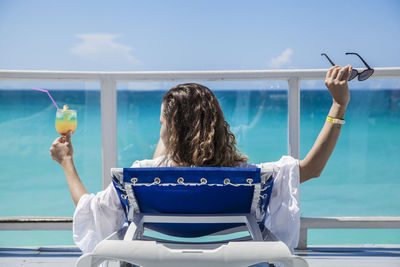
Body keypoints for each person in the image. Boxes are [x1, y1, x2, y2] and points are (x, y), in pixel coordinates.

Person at [50, 65, 352, 254]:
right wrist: (339, 104)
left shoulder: (141, 175)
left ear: (171, 131)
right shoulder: (248, 176)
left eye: (162, 124)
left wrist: (66, 162)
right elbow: (312, 167)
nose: (160, 128)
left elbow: (88, 208)